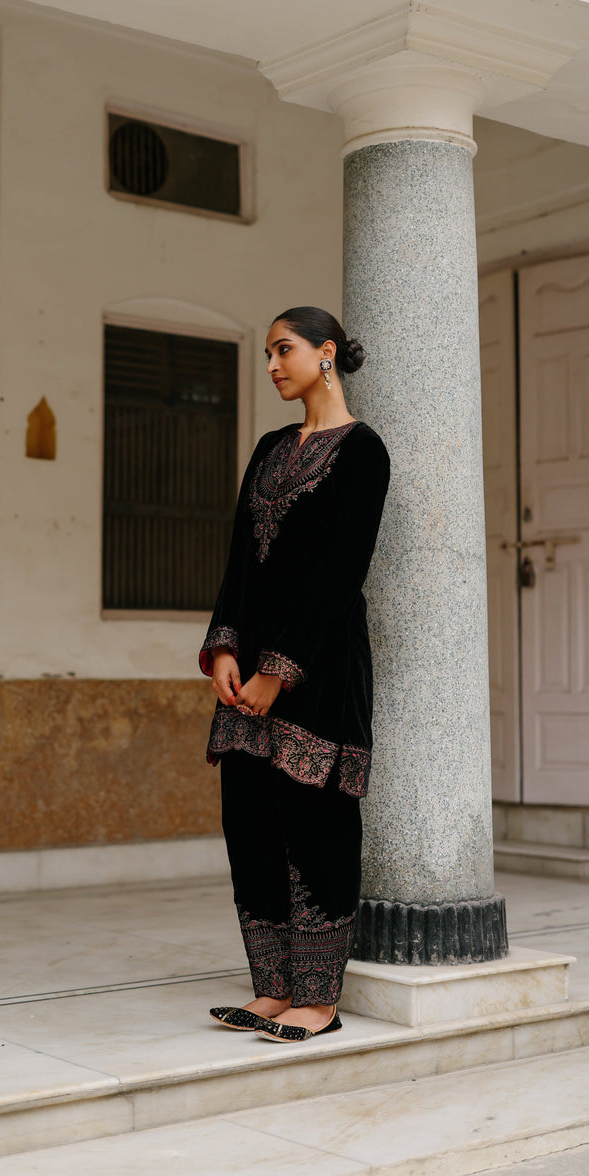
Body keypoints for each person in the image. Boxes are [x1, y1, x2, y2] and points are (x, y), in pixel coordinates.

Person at [199, 306, 390, 1043]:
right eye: (269, 353)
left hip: (321, 670)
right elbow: (240, 562)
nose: (274, 364)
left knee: (316, 826)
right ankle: (274, 988)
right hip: (245, 671)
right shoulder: (270, 447)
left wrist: (279, 672)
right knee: (251, 823)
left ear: (327, 353)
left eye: (285, 350)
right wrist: (223, 649)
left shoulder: (363, 451)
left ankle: (319, 998)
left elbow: (341, 574)